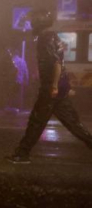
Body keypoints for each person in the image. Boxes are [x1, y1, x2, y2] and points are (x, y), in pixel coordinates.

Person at [7, 9, 92, 164]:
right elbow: (60, 62)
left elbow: (56, 63)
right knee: (73, 124)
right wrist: (64, 85)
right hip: (58, 87)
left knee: (36, 121)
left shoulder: (45, 38)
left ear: (39, 21)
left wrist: (53, 86)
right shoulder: (53, 36)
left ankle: (22, 154)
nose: (31, 22)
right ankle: (22, 152)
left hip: (51, 89)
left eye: (34, 19)